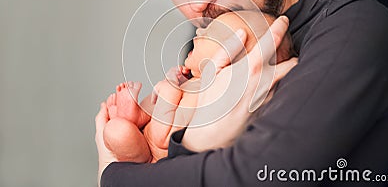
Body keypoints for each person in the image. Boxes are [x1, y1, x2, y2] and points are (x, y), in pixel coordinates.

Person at [96, 0, 388, 186]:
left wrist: (112, 174)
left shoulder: (356, 27)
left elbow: (253, 176)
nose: (196, 4)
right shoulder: (203, 45)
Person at [103, 11, 295, 163]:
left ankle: (132, 132)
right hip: (151, 129)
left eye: (212, 33)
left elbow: (164, 138)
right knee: (130, 120)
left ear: (232, 61)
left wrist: (171, 88)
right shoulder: (192, 80)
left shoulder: (211, 96)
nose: (199, 31)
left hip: (154, 152)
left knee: (117, 131)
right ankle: (136, 115)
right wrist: (173, 82)